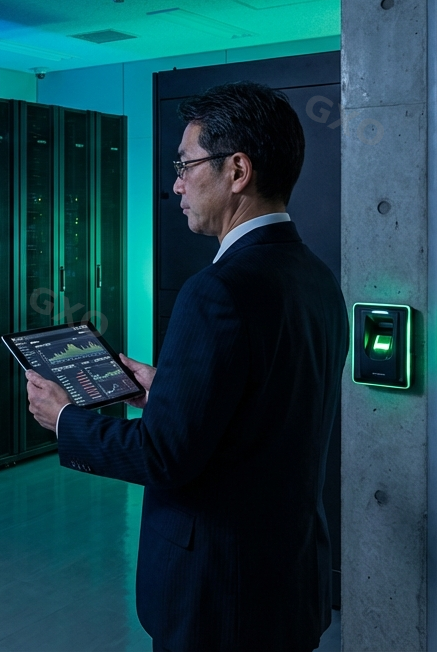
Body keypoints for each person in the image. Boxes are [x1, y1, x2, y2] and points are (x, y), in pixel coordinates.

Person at [25, 81, 347, 652]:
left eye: (185, 164)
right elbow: (265, 412)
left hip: (220, 596)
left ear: (237, 170)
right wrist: (166, 392)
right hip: (286, 580)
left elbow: (163, 457)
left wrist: (66, 417)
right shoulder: (315, 278)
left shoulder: (217, 291)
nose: (175, 183)